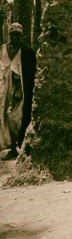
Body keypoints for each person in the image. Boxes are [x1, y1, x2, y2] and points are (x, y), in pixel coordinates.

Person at [0, 23, 37, 161]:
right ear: (8, 35)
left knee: (20, 117)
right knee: (4, 117)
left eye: (18, 35)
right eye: (12, 35)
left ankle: (21, 145)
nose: (15, 38)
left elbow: (32, 73)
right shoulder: (2, 50)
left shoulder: (27, 53)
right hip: (3, 92)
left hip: (21, 93)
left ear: (22, 36)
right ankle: (10, 147)